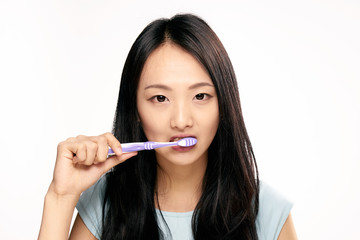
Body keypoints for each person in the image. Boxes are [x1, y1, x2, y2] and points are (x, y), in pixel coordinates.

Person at [38, 14, 297, 240]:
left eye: (200, 96)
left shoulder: (268, 211)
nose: (181, 120)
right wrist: (61, 196)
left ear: (224, 104)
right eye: (160, 98)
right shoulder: (105, 204)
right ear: (135, 110)